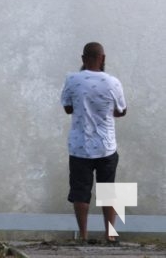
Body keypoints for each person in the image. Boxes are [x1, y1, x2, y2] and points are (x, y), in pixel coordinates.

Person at [60, 42, 127, 244]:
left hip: (80, 146)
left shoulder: (72, 79)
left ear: (83, 58)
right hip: (106, 146)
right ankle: (110, 234)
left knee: (80, 191)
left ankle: (83, 235)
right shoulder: (113, 82)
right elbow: (122, 110)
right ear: (103, 58)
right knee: (109, 190)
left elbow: (68, 108)